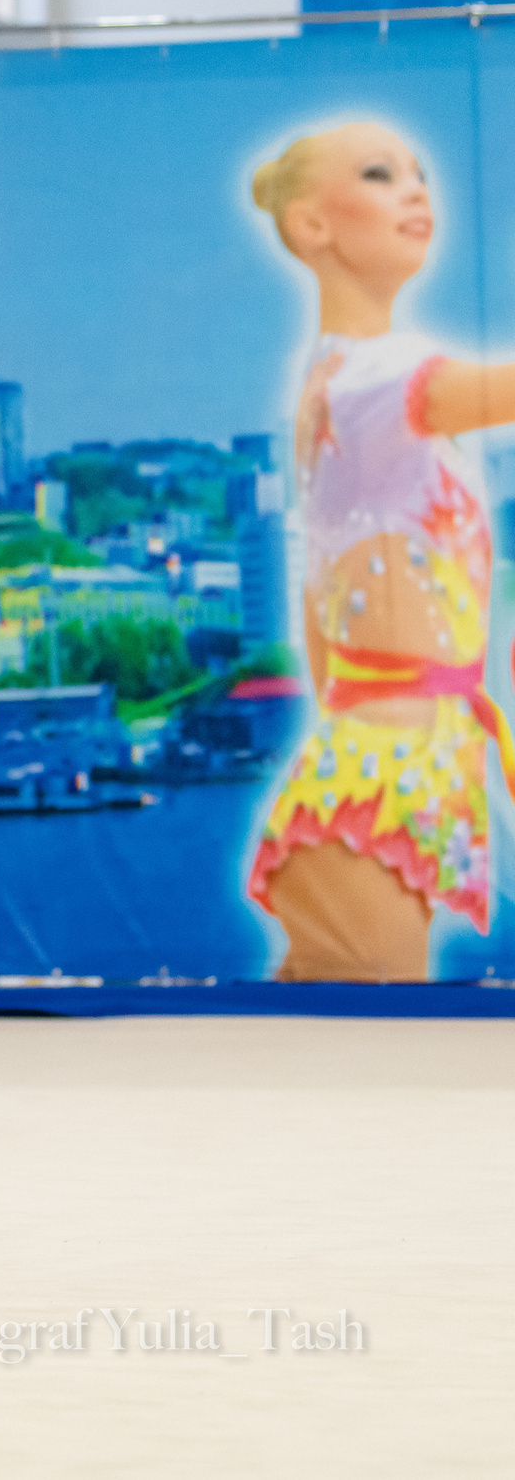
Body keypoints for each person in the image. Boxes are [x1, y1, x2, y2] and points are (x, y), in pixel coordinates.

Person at [246, 123, 515, 982]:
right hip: (381, 779)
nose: (414, 189)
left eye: (420, 172)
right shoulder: (373, 380)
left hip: (399, 764)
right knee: (365, 1036)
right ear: (310, 225)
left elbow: (319, 602)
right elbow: (476, 393)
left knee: (352, 1038)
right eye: (379, 173)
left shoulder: (337, 382)